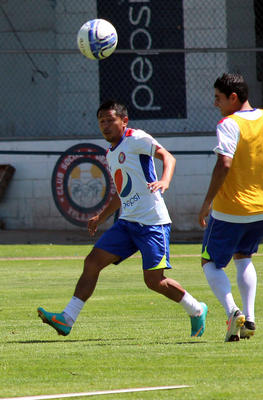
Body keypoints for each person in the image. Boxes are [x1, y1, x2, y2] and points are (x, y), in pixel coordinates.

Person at [38, 100, 207, 338]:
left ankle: (196, 309)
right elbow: (122, 192)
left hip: (152, 224)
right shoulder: (111, 152)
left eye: (110, 120)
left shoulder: (136, 138)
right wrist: (101, 216)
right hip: (127, 223)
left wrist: (165, 181)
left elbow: (168, 157)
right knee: (92, 262)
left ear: (124, 121)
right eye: (101, 122)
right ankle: (67, 318)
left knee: (154, 281)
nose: (105, 126)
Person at [198, 73, 263, 342]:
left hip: (230, 210)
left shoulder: (229, 124)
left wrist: (207, 202)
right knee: (244, 257)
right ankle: (250, 318)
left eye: (218, 98)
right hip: (262, 210)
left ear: (233, 97)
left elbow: (224, 164)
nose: (215, 104)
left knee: (210, 263)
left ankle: (233, 313)